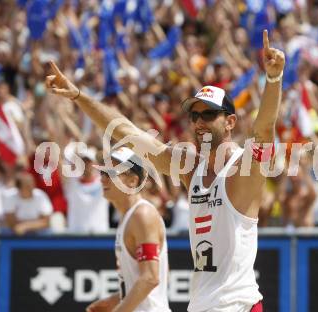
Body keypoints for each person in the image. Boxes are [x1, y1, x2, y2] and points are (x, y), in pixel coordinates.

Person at [46, 29, 284, 312]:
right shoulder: (190, 168)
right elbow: (125, 131)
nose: (199, 122)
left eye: (208, 114)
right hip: (203, 305)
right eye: (194, 115)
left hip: (237, 304)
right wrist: (78, 96)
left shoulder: (243, 170)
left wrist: (273, 78)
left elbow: (264, 130)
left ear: (230, 121)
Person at [86, 147, 170, 312]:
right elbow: (157, 274)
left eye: (110, 173)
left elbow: (151, 278)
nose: (102, 179)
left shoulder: (142, 215)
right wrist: (118, 298)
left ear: (132, 181)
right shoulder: (129, 216)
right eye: (103, 173)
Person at [64, 147, 110, 233]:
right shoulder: (71, 183)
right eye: (83, 161)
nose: (85, 164)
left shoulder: (104, 182)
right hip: (76, 237)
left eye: (88, 161)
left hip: (100, 237)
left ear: (95, 163)